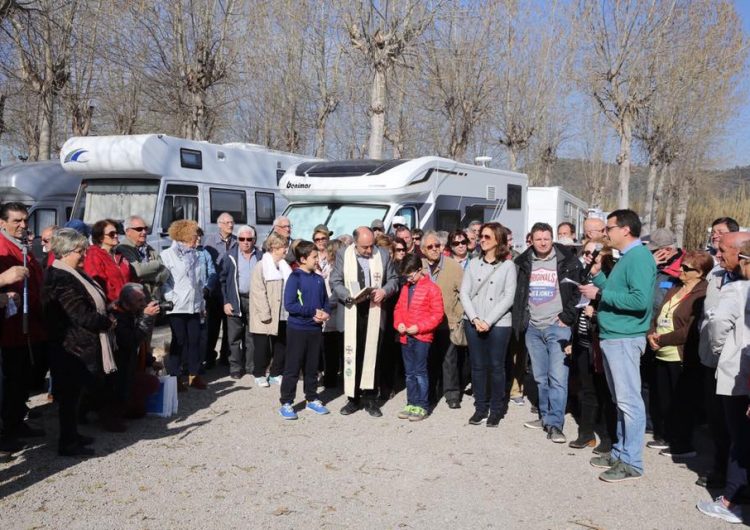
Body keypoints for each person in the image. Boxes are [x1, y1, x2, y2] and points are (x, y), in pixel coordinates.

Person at [579, 209, 656, 483]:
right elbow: (617, 291)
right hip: (614, 336)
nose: (605, 233)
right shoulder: (629, 258)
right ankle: (621, 452)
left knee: (629, 401)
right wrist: (599, 277)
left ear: (625, 229)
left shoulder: (639, 258)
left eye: (609, 227)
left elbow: (639, 301)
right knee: (620, 400)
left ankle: (631, 461)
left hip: (625, 337)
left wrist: (600, 292)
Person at [43, 228, 116, 456]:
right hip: (70, 348)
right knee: (69, 398)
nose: (84, 255)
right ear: (65, 252)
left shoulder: (74, 272)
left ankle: (72, 435)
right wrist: (107, 323)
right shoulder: (60, 277)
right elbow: (80, 314)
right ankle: (67, 442)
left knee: (74, 397)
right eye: (80, 251)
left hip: (79, 346)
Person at [697, 239, 750, 524]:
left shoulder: (736, 289)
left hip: (738, 370)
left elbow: (718, 325)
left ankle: (732, 498)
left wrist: (719, 350)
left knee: (738, 436)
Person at [513, 222, 582, 444]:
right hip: (533, 327)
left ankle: (555, 424)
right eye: (538, 239)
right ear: (531, 240)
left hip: (557, 327)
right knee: (541, 378)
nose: (543, 242)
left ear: (552, 239)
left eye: (546, 238)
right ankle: (544, 416)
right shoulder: (523, 263)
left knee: (558, 378)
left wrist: (566, 318)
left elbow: (577, 293)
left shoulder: (568, 261)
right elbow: (519, 294)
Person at [646, 251, 711, 458]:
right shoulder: (674, 287)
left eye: (686, 268)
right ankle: (666, 435)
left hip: (681, 354)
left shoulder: (703, 293)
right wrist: (651, 334)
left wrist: (662, 339)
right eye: (681, 266)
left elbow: (690, 329)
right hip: (661, 351)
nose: (681, 271)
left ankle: (683, 444)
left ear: (700, 273)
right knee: (663, 398)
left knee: (682, 401)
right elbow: (658, 315)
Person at [330, 226, 399, 417]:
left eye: (371, 246)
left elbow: (393, 279)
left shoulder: (383, 254)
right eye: (364, 247)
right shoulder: (344, 254)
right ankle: (353, 398)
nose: (369, 251)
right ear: (354, 243)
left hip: (375, 310)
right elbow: (335, 281)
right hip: (352, 309)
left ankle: (370, 398)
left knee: (373, 354)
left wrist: (384, 291)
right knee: (352, 354)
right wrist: (348, 296)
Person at [459, 222, 517, 427]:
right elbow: (464, 292)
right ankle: (480, 407)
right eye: (481, 236)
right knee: (477, 366)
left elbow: (509, 297)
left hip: (499, 323)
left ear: (498, 240)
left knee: (496, 366)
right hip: (473, 321)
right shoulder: (473, 263)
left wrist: (488, 321)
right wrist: (475, 319)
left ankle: (496, 408)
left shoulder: (508, 266)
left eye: (487, 237)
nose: (482, 240)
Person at [0, 202, 47, 442]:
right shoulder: (2, 247)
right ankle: (8, 432)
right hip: (10, 327)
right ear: (2, 223)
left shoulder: (23, 246)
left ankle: (17, 423)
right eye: (16, 221)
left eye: (25, 220)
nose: (22, 225)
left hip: (28, 325)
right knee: (12, 380)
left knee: (22, 380)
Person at [568, 243, 618, 454]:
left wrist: (595, 315)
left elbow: (613, 313)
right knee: (587, 391)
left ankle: (608, 437)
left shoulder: (609, 284)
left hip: (600, 345)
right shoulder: (587, 279)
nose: (589, 259)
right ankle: (586, 434)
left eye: (595, 258)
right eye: (587, 254)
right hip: (583, 342)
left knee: (606, 393)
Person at [278, 240, 332, 419]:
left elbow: (325, 301)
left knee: (312, 366)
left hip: (315, 329)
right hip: (297, 329)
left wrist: (325, 313)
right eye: (314, 257)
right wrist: (312, 312)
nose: (317, 260)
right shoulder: (295, 278)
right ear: (302, 259)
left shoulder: (318, 279)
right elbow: (290, 305)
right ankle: (286, 402)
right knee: (293, 366)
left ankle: (311, 398)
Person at [393, 253, 444, 421]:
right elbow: (398, 309)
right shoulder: (406, 288)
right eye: (406, 276)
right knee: (409, 373)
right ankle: (411, 403)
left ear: (419, 270)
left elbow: (437, 315)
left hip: (422, 337)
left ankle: (422, 405)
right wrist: (399, 323)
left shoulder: (432, 288)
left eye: (411, 274)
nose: (409, 278)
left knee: (420, 372)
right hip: (405, 336)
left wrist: (419, 328)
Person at [161, 220, 207, 391]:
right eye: (195, 236)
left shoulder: (195, 255)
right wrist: (171, 298)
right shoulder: (168, 255)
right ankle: (175, 377)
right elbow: (164, 281)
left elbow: (198, 282)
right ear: (186, 236)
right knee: (179, 341)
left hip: (194, 305)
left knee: (195, 340)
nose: (198, 240)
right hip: (177, 306)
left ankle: (194, 376)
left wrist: (201, 303)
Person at [421, 231, 464, 408]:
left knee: (449, 360)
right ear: (423, 249)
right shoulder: (419, 266)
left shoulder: (453, 266)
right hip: (425, 324)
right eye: (430, 246)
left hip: (448, 322)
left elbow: (464, 293)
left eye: (437, 245)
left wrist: (457, 315)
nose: (434, 249)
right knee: (428, 360)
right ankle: (430, 393)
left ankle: (452, 395)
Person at [111, 283, 161, 419]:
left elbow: (141, 346)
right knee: (150, 383)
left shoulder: (133, 314)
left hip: (130, 367)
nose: (143, 304)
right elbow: (131, 343)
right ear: (126, 303)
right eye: (139, 301)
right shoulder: (117, 318)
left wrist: (150, 361)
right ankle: (111, 412)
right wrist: (146, 318)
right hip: (118, 372)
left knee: (140, 411)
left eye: (144, 299)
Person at [250, 232, 292, 388]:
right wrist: (265, 313)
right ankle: (259, 374)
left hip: (282, 312)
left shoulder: (283, 266)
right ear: (274, 248)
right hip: (265, 313)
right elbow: (258, 291)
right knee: (262, 346)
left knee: (281, 344)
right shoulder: (261, 266)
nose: (285, 251)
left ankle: (275, 373)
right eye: (283, 248)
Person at [220, 225, 262, 380]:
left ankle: (250, 366)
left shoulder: (260, 256)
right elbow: (222, 281)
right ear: (237, 240)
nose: (245, 242)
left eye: (249, 239)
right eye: (242, 239)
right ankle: (235, 367)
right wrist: (226, 301)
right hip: (235, 300)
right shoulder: (230, 256)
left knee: (252, 336)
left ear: (254, 240)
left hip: (254, 300)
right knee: (234, 337)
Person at [203, 212, 237, 368]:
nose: (230, 225)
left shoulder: (237, 241)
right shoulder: (210, 242)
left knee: (230, 326)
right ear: (219, 224)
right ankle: (209, 357)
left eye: (232, 222)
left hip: (230, 290)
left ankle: (225, 356)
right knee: (213, 327)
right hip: (215, 291)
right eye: (227, 222)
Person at [115, 215, 169, 302]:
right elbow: (138, 271)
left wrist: (147, 275)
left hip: (154, 300)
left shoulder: (148, 248)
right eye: (139, 229)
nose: (144, 232)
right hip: (136, 301)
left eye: (145, 228)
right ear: (128, 231)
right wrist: (156, 264)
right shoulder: (123, 248)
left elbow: (165, 272)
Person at [83, 219, 132, 303]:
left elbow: (132, 278)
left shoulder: (119, 255)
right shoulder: (94, 255)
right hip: (113, 306)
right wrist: (119, 303)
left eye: (117, 233)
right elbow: (101, 285)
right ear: (101, 237)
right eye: (112, 234)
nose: (116, 236)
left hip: (129, 303)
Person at [322, 239, 344, 388]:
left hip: (333, 312)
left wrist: (325, 306)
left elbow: (335, 292)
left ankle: (332, 379)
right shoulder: (328, 267)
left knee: (333, 350)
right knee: (332, 349)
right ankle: (331, 378)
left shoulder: (336, 268)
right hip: (330, 313)